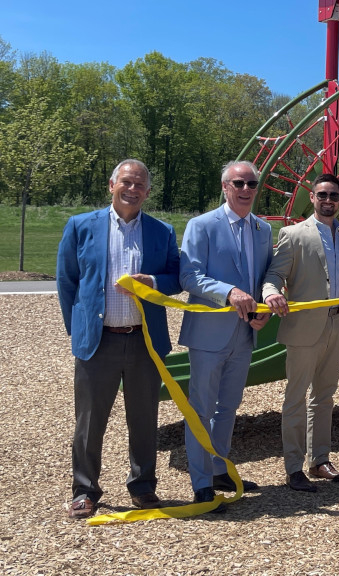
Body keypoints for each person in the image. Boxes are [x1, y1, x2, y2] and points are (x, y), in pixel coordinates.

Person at [57, 159, 181, 519]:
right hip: (99, 342)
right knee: (90, 421)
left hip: (144, 342)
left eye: (140, 184)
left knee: (144, 420)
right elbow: (67, 283)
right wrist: (78, 328)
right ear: (111, 184)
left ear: (148, 191)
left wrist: (155, 283)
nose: (133, 189)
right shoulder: (81, 226)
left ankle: (143, 487)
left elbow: (177, 277)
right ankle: (84, 490)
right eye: (126, 182)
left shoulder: (162, 231)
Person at [179, 160, 272, 511]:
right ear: (224, 186)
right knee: (200, 409)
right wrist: (230, 292)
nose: (246, 189)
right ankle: (201, 484)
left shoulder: (263, 229)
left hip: (245, 335)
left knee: (229, 407)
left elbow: (264, 279)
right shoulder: (201, 226)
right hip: (207, 334)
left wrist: (261, 308)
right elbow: (190, 276)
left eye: (252, 183)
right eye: (239, 183)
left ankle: (219, 470)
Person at [263, 173, 339, 492]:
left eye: (334, 196)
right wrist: (271, 293)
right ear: (312, 197)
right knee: (295, 398)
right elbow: (274, 273)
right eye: (322, 195)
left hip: (336, 325)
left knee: (324, 396)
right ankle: (293, 467)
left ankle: (320, 460)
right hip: (303, 327)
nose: (328, 200)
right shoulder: (292, 234)